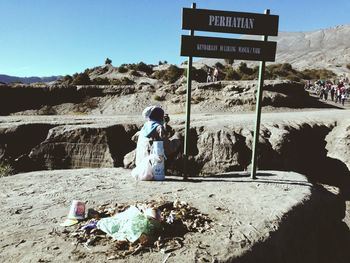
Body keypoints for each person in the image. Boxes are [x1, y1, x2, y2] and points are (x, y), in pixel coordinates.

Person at [132, 106, 179, 180]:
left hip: (141, 167)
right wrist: (177, 138)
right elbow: (168, 147)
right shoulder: (159, 128)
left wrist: (164, 123)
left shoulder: (145, 127)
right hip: (154, 169)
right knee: (176, 143)